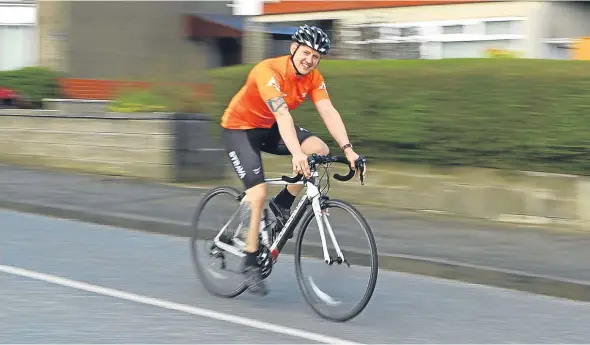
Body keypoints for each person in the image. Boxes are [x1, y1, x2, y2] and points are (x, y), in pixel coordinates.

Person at [219, 24, 367, 295]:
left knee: (319, 149)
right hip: (240, 129)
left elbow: (328, 111)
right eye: (306, 53)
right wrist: (296, 153)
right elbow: (283, 115)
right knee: (258, 192)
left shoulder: (313, 78)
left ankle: (282, 204)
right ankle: (250, 260)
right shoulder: (268, 72)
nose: (310, 60)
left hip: (268, 128)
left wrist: (348, 150)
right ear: (293, 49)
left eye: (316, 56)